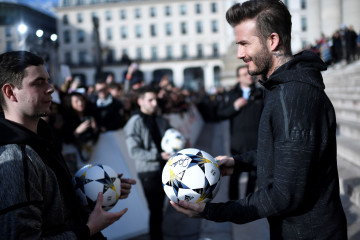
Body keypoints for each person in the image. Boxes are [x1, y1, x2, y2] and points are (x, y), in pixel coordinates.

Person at [170, 1, 348, 239]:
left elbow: (285, 195)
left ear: (272, 41)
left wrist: (212, 211)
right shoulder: (281, 89)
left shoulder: (293, 96)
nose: (239, 54)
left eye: (244, 44)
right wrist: (238, 163)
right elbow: (285, 152)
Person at [0, 51, 136, 239]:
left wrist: (101, 188)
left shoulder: (42, 138)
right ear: (10, 92)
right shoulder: (15, 157)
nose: (51, 89)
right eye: (38, 83)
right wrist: (89, 229)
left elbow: (54, 205)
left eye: (48, 81)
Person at [124, 86, 171, 240]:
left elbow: (171, 136)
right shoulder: (134, 122)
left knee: (161, 209)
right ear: (140, 101)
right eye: (150, 100)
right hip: (148, 172)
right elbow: (134, 151)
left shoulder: (160, 119)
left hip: (166, 168)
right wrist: (157, 155)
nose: (154, 103)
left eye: (155, 99)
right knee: (155, 210)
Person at [217, 65, 263, 200]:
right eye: (244, 74)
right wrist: (235, 107)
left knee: (253, 174)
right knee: (234, 172)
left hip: (256, 140)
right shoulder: (231, 95)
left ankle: (249, 201)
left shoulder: (260, 93)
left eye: (250, 74)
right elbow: (221, 114)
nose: (249, 76)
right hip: (238, 142)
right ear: (239, 78)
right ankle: (233, 202)